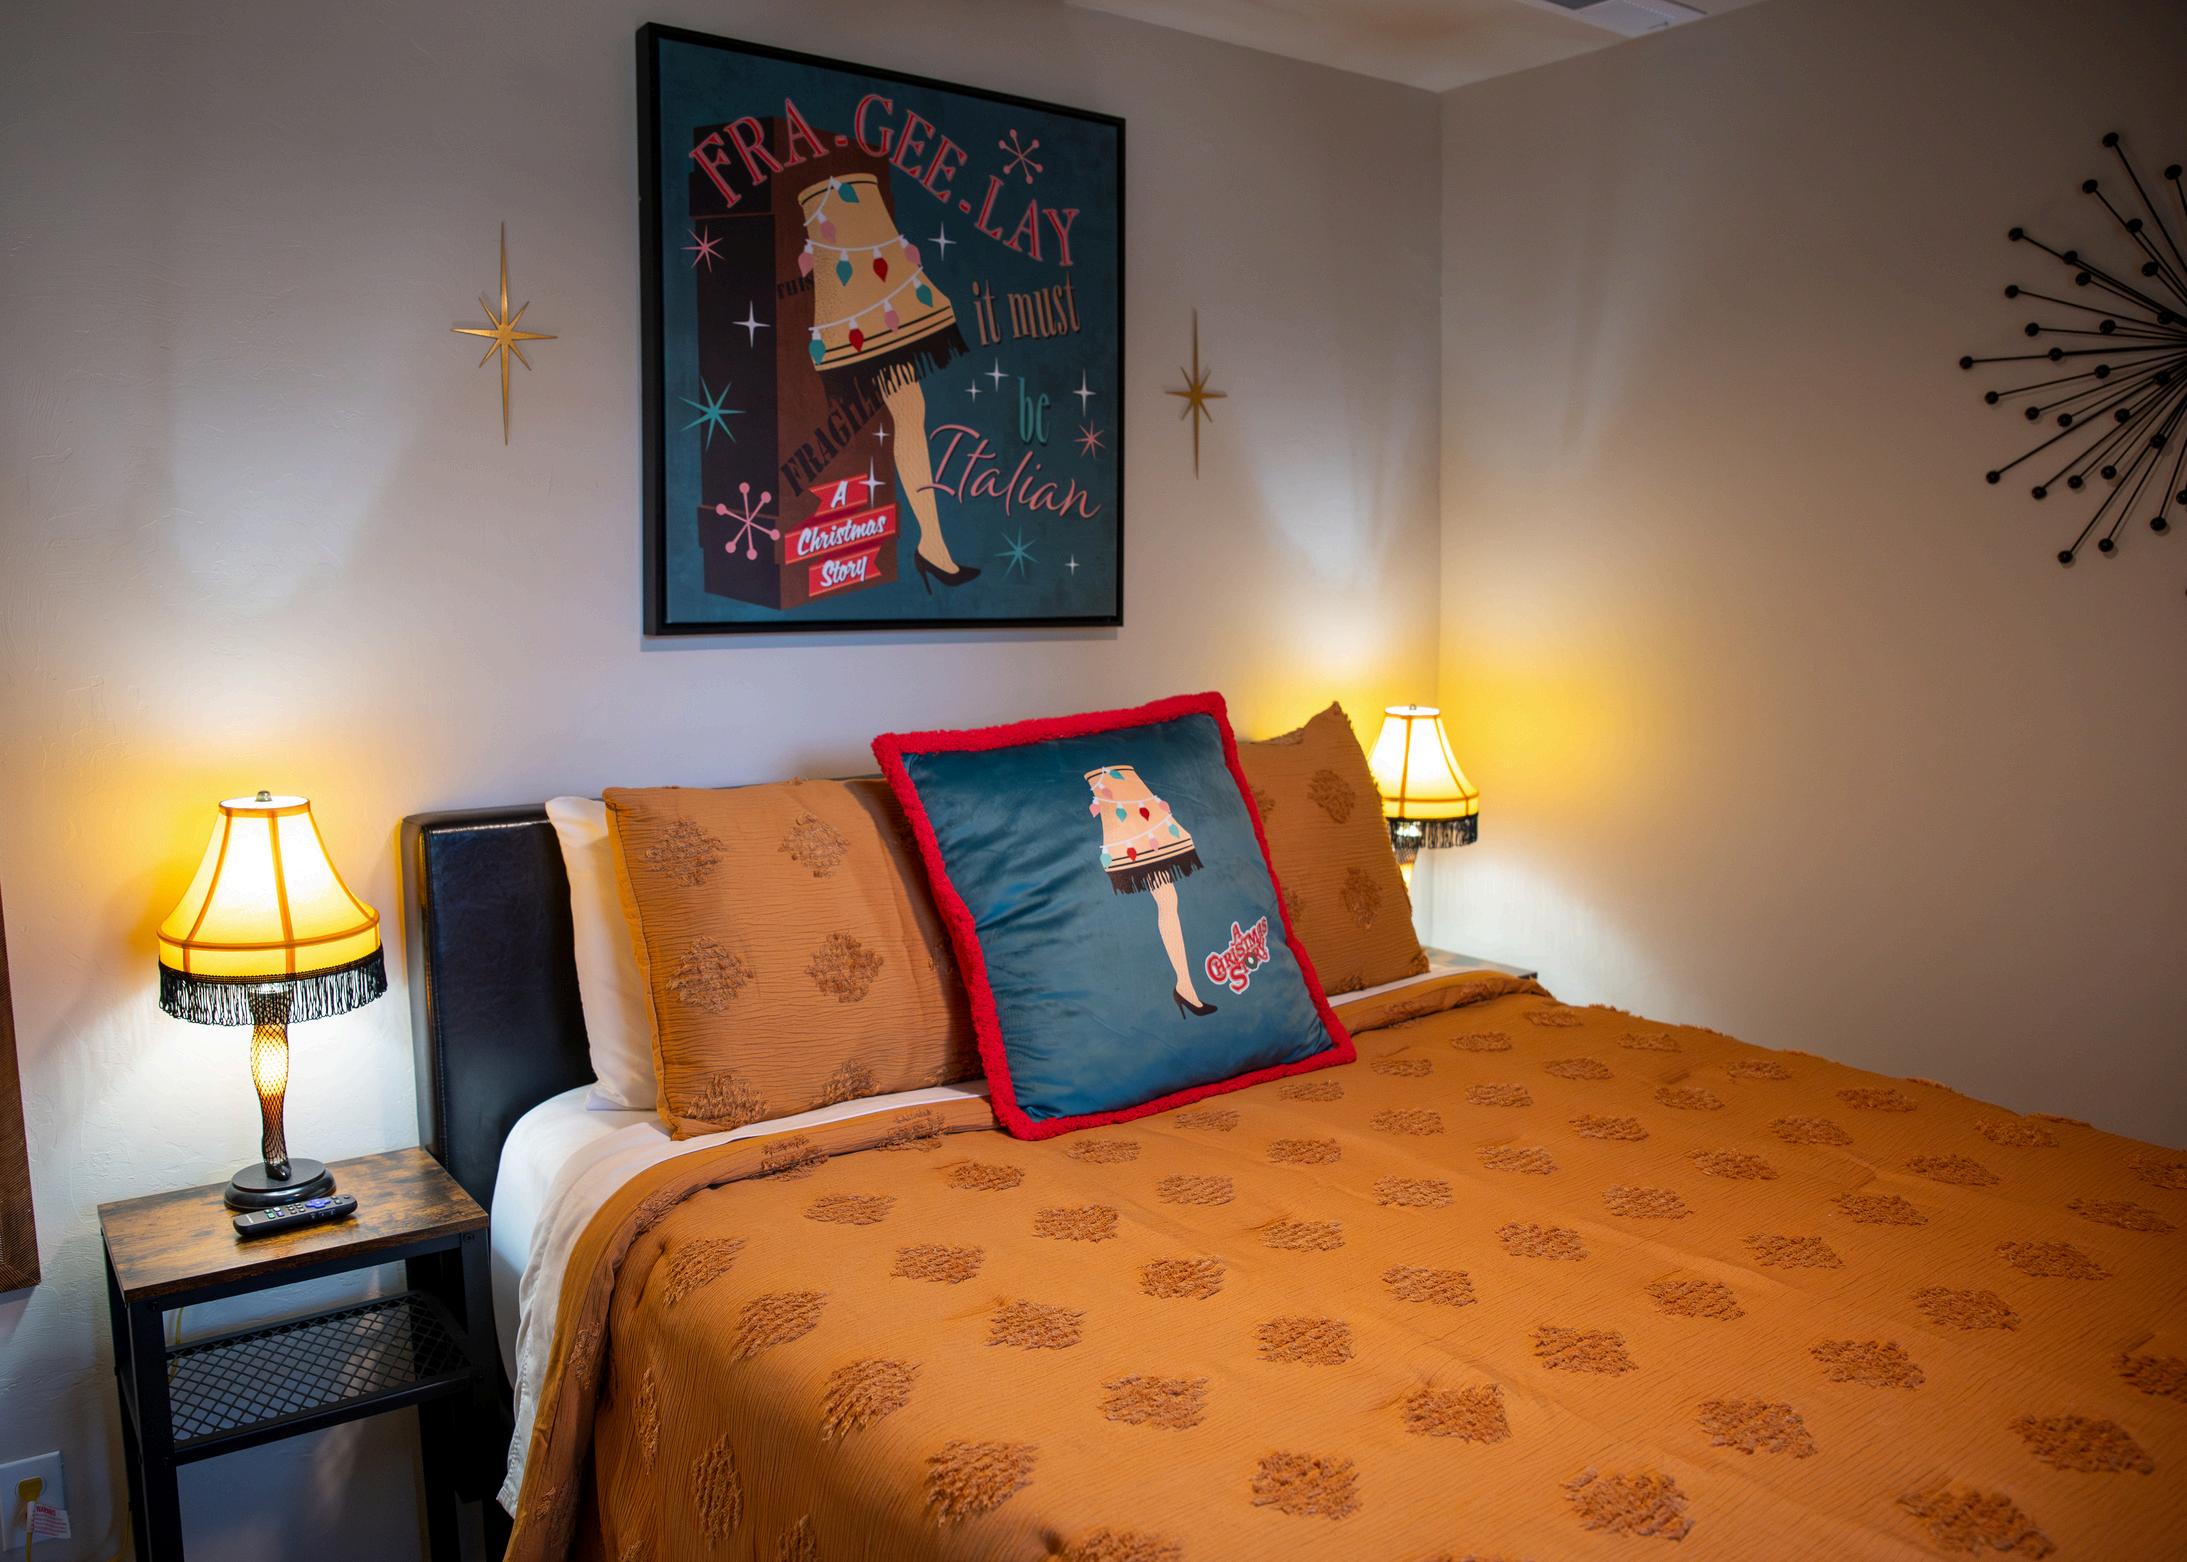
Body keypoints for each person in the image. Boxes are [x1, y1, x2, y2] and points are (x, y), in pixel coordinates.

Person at [1086, 765, 1215, 1016]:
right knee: (1167, 900)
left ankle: (1185, 985)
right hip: (1118, 795)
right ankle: (1184, 985)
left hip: (1130, 792)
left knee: (1168, 899)